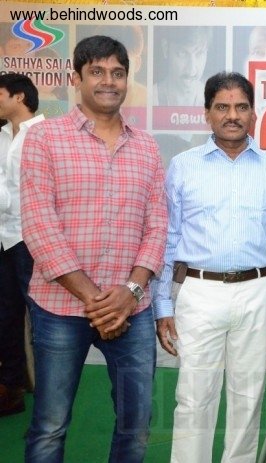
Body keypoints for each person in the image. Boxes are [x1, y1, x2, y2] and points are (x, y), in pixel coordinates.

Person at [20, 35, 167, 462]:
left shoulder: (146, 146)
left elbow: (158, 226)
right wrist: (98, 302)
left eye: (118, 73)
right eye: (97, 72)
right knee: (50, 427)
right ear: (76, 78)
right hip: (59, 308)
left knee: (137, 427)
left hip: (132, 310)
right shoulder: (44, 138)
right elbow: (40, 227)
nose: (109, 81)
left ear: (127, 80)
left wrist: (130, 294)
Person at [152, 71, 266, 463]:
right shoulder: (183, 166)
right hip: (199, 292)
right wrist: (162, 305)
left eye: (241, 107)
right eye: (222, 107)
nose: (232, 115)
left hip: (257, 291)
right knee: (193, 398)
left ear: (253, 113)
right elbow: (168, 238)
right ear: (207, 113)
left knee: (248, 398)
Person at [0, 73, 44, 417]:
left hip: (34, 240)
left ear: (19, 96)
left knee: (43, 320)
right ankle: (12, 388)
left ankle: (49, 391)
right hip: (4, 239)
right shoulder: (0, 135)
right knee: (6, 317)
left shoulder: (46, 134)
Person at [153, 26, 212, 107]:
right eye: (182, 53)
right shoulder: (147, 98)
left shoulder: (215, 100)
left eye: (199, 53)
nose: (191, 70)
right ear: (165, 48)